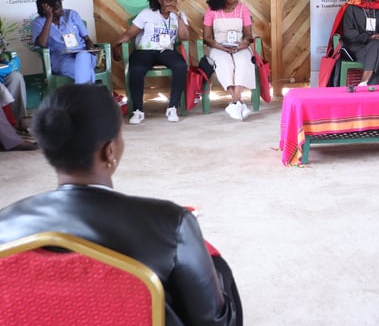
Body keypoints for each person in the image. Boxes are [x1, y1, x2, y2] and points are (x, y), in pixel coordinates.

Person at [0, 84, 241, 325]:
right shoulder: (171, 224)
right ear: (110, 151)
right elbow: (215, 321)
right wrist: (215, 267)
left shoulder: (4, 225)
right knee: (214, 269)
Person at [113, 0, 189, 125]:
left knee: (180, 66)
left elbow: (184, 37)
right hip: (145, 51)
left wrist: (178, 17)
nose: (172, 3)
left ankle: (172, 107)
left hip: (166, 51)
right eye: (168, 1)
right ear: (159, 0)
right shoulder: (146, 14)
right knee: (136, 68)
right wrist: (115, 45)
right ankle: (138, 110)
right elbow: (129, 34)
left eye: (174, 0)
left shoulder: (178, 15)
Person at [203, 0, 256, 121]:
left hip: (239, 46)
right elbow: (206, 38)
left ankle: (235, 103)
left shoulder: (243, 9)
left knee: (244, 61)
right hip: (218, 46)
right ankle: (237, 102)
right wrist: (219, 46)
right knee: (224, 63)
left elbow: (248, 35)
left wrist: (244, 44)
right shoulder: (211, 11)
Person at [333, 0, 379, 86]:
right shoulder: (351, 8)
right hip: (357, 46)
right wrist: (367, 38)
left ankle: (364, 82)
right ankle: (367, 85)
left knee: (377, 46)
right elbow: (348, 32)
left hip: (376, 45)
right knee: (377, 52)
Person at [31, 0, 100, 84]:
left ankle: (86, 91)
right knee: (81, 69)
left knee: (82, 57)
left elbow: (87, 39)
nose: (62, 9)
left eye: (61, 5)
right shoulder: (38, 23)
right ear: (47, 10)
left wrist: (91, 47)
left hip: (83, 52)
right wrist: (49, 18)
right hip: (62, 58)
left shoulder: (72, 14)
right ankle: (89, 89)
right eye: (57, 8)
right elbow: (42, 44)